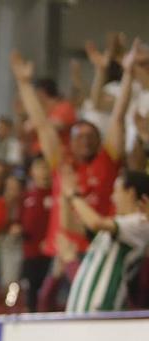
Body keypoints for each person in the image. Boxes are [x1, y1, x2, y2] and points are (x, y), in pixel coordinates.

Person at [11, 43, 136, 259]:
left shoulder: (107, 161)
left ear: (99, 142)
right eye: (80, 137)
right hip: (61, 253)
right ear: (71, 141)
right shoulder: (63, 163)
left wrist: (129, 73)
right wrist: (24, 84)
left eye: (91, 137)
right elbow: (42, 124)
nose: (85, 141)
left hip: (97, 252)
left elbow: (118, 118)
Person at [64, 169, 149, 313]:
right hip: (81, 309)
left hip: (104, 309)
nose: (112, 197)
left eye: (116, 191)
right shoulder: (118, 225)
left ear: (130, 193)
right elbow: (68, 225)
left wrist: (73, 196)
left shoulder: (140, 223)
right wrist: (64, 193)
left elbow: (94, 223)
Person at [20, 158, 54, 311]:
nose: (43, 172)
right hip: (31, 255)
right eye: (39, 168)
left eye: (46, 168)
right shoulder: (26, 197)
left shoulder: (56, 195)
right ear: (32, 172)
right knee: (31, 294)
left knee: (50, 293)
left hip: (51, 254)